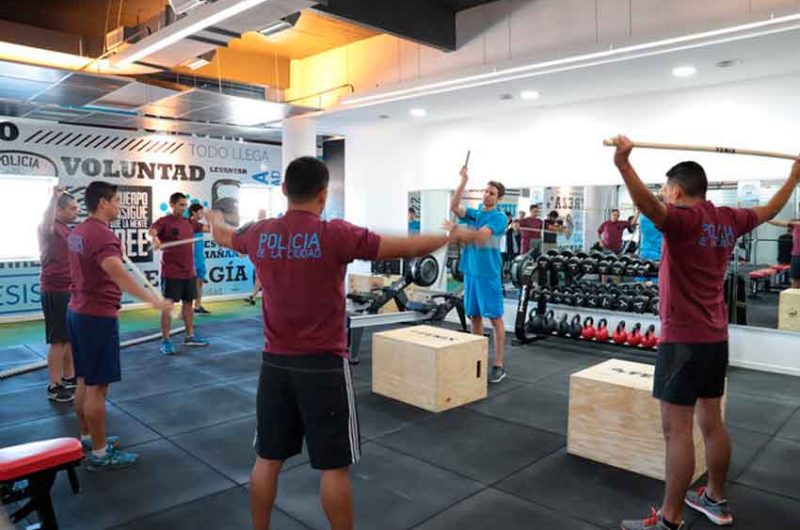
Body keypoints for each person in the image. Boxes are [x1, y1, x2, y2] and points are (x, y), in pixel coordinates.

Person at [204, 156, 467, 530]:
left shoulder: (259, 233)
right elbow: (407, 248)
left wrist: (214, 220)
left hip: (275, 364)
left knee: (267, 459)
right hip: (323, 366)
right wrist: (449, 236)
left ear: (284, 191)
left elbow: (224, 236)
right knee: (333, 468)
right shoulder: (335, 234)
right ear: (323, 195)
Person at [612, 135, 800, 530]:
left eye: (665, 190)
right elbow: (769, 210)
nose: (663, 195)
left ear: (677, 191)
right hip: (715, 337)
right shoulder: (728, 218)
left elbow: (650, 208)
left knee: (676, 430)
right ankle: (715, 497)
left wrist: (624, 166)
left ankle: (670, 519)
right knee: (711, 423)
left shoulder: (681, 220)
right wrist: (794, 177)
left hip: (681, 339)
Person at [68, 181, 172, 469]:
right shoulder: (101, 235)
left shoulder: (79, 231)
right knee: (97, 387)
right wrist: (154, 300)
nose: (119, 206)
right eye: (116, 201)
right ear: (103, 202)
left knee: (82, 380)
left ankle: (88, 436)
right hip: (96, 317)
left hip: (77, 311)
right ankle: (100, 454)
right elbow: (118, 274)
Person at [450, 165, 509, 383]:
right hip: (471, 272)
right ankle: (478, 359)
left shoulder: (499, 218)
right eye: (486, 191)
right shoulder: (474, 214)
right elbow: (455, 206)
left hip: (488, 274)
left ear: (498, 198)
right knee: (474, 316)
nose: (487, 195)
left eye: (492, 193)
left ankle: (499, 364)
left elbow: (482, 237)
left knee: (494, 319)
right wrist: (463, 181)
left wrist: (458, 231)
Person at [149, 192, 211, 355]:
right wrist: (155, 240)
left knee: (188, 305)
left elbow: (207, 228)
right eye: (181, 205)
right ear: (172, 205)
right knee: (168, 307)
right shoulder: (165, 222)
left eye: (185, 205)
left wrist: (218, 224)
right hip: (171, 272)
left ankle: (189, 336)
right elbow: (152, 230)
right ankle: (166, 340)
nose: (184, 208)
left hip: (188, 272)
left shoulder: (189, 222)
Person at [39, 186, 79, 403]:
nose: (76, 212)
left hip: (69, 288)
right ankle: (54, 385)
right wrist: (53, 198)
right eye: (72, 208)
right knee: (58, 340)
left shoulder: (67, 229)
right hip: (55, 290)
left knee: (69, 337)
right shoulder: (49, 227)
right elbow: (46, 219)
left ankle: (70, 376)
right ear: (58, 210)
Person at [189, 203, 211, 314]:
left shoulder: (198, 225)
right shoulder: (189, 224)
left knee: (199, 282)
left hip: (199, 258)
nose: (202, 214)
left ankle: (197, 306)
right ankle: (186, 308)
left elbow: (210, 229)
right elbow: (209, 229)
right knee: (188, 284)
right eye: (200, 212)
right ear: (194, 212)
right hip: (190, 259)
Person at [245, 209, 269, 306]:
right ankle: (253, 297)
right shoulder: (255, 226)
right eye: (260, 214)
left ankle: (253, 297)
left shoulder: (268, 226)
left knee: (261, 278)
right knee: (259, 277)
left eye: (262, 214)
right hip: (260, 255)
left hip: (266, 255)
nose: (260, 215)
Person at [768, 218, 800, 288]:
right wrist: (765, 219)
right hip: (795, 257)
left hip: (796, 257)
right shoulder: (796, 224)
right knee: (795, 282)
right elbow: (778, 223)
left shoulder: (796, 224)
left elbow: (780, 223)